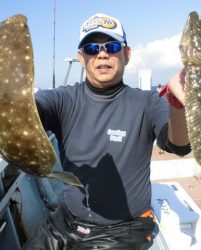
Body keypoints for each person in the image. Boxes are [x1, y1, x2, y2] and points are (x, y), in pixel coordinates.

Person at [22, 13, 190, 250]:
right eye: (92, 48)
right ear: (82, 57)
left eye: (111, 46)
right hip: (66, 220)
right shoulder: (63, 99)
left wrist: (177, 104)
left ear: (127, 55)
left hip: (125, 229)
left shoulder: (147, 102)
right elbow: (30, 110)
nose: (102, 54)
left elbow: (180, 145)